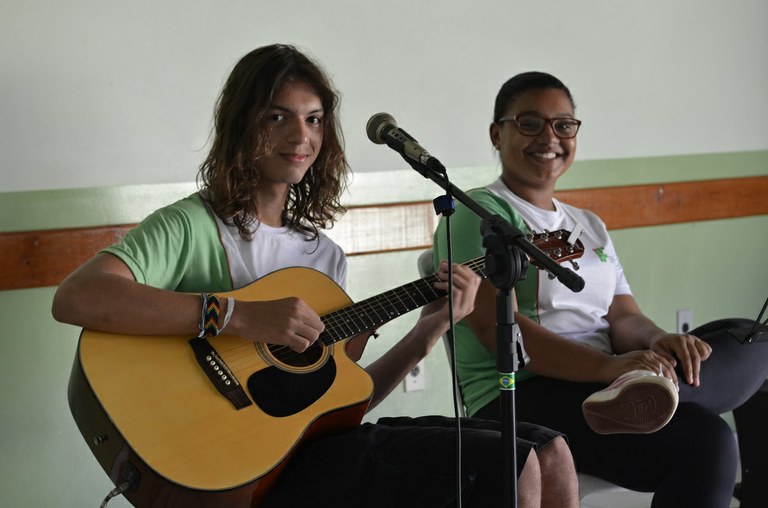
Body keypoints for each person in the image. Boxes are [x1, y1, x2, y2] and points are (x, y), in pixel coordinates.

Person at [52, 46, 580, 508]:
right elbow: (78, 297)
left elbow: (342, 403)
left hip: (314, 452)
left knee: (547, 452)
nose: (300, 136)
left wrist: (427, 332)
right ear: (243, 125)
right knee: (507, 468)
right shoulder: (194, 224)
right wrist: (239, 315)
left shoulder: (321, 257)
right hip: (237, 468)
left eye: (314, 119)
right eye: (277, 117)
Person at [433, 70, 768, 508]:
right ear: (498, 134)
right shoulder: (480, 215)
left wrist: (657, 340)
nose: (549, 137)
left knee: (751, 338)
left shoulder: (588, 224)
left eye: (563, 125)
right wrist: (608, 370)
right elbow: (500, 332)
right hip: (522, 396)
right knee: (706, 439)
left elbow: (623, 317)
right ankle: (642, 391)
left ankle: (645, 391)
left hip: (607, 377)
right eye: (529, 123)